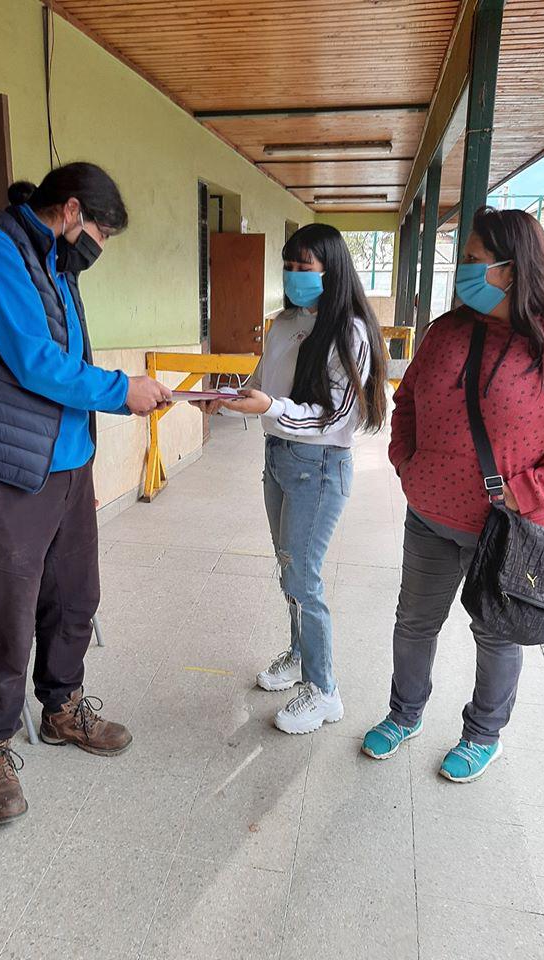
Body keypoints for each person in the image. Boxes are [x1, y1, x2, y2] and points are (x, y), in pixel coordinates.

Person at [0, 162, 172, 824]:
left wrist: (111, 397)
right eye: (100, 232)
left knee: (75, 597)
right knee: (9, 614)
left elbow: (68, 359)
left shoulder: (56, 263)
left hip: (69, 463)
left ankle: (62, 707)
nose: (99, 247)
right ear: (71, 211)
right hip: (7, 468)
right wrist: (122, 390)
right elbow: (35, 360)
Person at [362, 206, 544, 782]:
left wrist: (527, 492)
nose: (462, 270)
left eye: (473, 260)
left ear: (513, 268)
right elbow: (407, 399)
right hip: (429, 517)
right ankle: (404, 714)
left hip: (507, 528)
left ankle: (483, 734)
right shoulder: (447, 330)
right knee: (414, 622)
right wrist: (405, 461)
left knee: (496, 635)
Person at [195, 224, 387, 734]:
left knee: (304, 578)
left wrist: (271, 407)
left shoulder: (350, 331)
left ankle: (324, 691)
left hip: (319, 466)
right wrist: (227, 399)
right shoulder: (283, 322)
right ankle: (300, 655)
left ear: (332, 270)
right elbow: (262, 383)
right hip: (278, 457)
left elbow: (336, 416)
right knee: (289, 572)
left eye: (306, 267)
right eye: (289, 266)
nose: (294, 275)